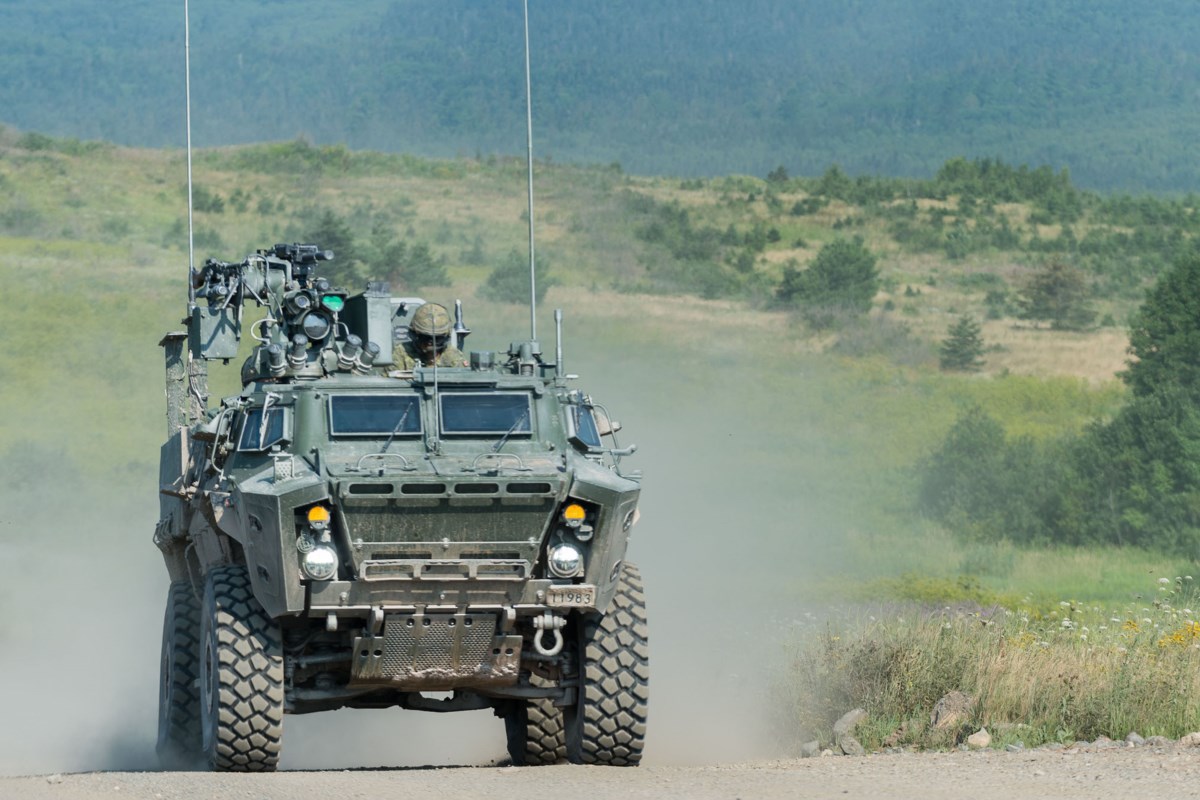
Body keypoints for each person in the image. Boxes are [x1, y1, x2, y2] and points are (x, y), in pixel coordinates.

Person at [391, 302, 467, 370]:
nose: (430, 343)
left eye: (437, 338)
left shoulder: (453, 357)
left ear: (446, 336)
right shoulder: (402, 353)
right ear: (415, 334)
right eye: (425, 337)